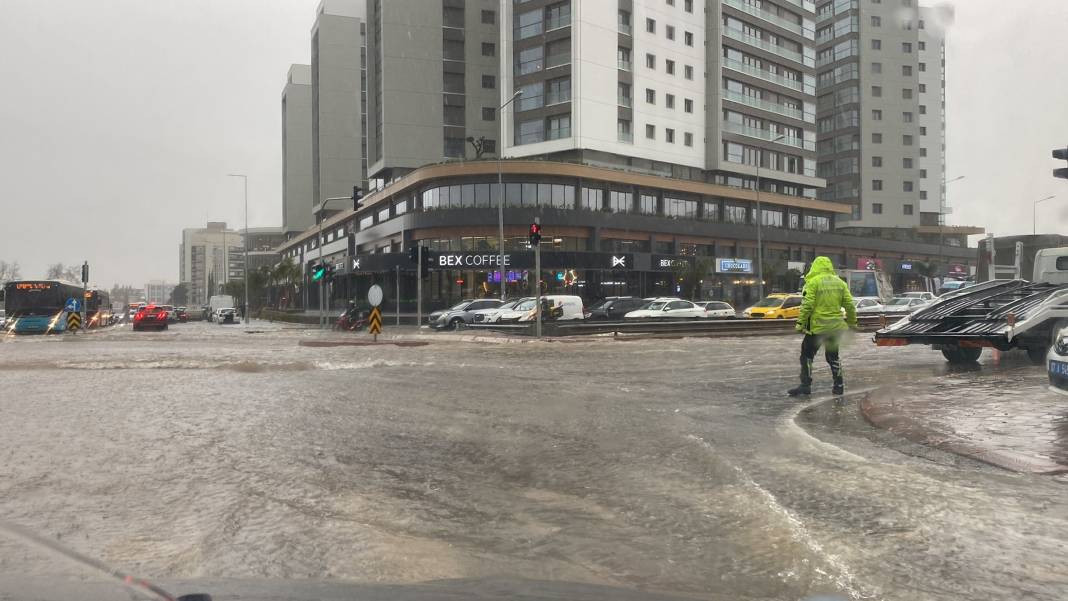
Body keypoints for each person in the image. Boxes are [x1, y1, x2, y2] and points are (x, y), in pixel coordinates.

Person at [788, 256, 857, 397]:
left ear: (815, 267)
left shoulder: (813, 282)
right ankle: (839, 386)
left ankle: (805, 385)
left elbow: (807, 305)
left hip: (817, 328)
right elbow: (850, 305)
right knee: (833, 357)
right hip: (835, 328)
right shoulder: (840, 283)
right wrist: (852, 322)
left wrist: (800, 324)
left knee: (807, 356)